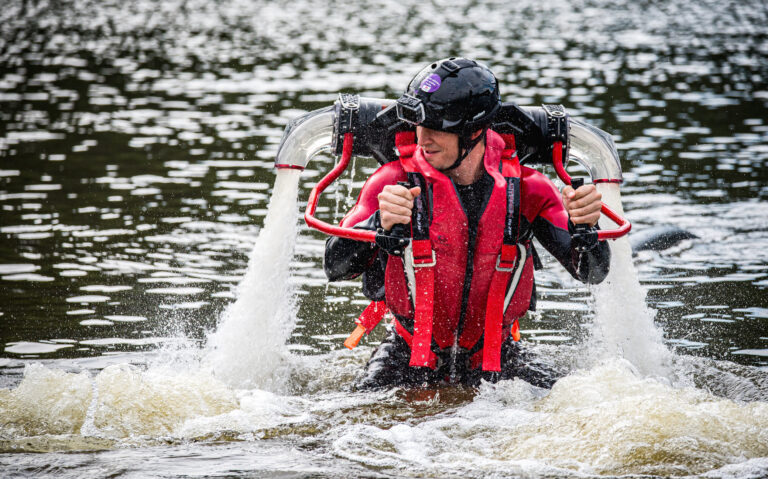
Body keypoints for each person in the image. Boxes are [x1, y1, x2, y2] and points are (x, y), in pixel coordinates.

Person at [324, 57, 611, 389]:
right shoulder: (391, 182)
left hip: (500, 357)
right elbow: (334, 266)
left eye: (437, 128)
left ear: (476, 131)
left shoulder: (528, 190)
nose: (423, 138)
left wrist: (587, 229)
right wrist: (379, 224)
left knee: (578, 404)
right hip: (407, 354)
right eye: (419, 124)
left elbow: (593, 272)